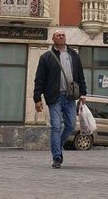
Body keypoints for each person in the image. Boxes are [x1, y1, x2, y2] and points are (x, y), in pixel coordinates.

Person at [33, 30, 88, 169]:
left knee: (70, 126)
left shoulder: (73, 55)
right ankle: (56, 157)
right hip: (54, 97)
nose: (61, 36)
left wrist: (83, 93)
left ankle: (57, 144)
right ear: (53, 39)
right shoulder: (46, 57)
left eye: (63, 35)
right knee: (56, 127)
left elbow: (80, 75)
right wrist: (37, 98)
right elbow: (39, 79)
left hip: (70, 97)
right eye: (58, 35)